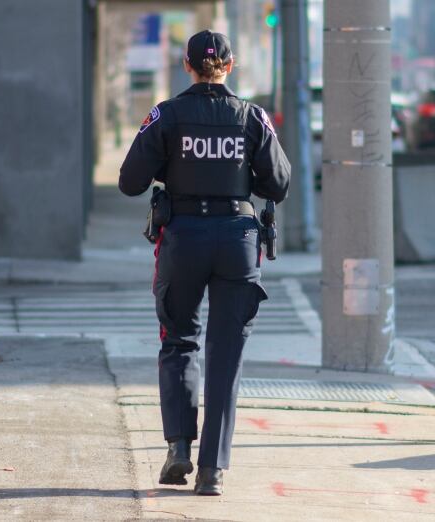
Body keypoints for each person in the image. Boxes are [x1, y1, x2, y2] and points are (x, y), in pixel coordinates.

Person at [119, 30, 290, 496]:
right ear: (230, 66)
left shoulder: (167, 115)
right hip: (237, 240)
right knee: (226, 355)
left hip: (184, 239)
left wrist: (169, 164)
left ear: (186, 65)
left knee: (178, 342)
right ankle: (212, 470)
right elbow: (277, 183)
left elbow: (130, 181)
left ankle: (178, 448)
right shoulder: (252, 117)